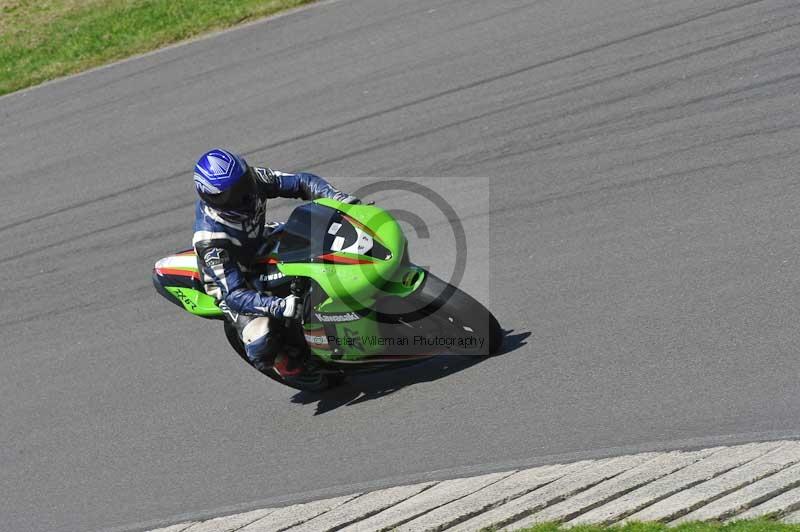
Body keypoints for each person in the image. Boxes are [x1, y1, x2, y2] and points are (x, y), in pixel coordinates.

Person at [191, 148, 358, 377]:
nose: (245, 194)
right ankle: (289, 366)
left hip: (261, 240)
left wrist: (334, 197)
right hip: (235, 279)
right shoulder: (210, 241)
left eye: (244, 182)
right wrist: (277, 307)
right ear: (213, 198)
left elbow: (300, 182)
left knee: (323, 238)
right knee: (260, 341)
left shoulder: (253, 180)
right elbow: (234, 294)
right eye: (233, 194)